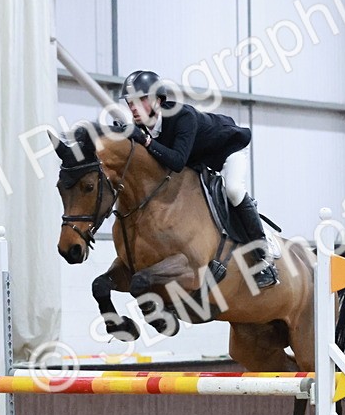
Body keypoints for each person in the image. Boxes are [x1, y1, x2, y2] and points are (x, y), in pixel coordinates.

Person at [118, 69, 278, 289]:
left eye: (140, 100)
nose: (133, 107)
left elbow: (176, 161)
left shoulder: (182, 116)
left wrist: (144, 142)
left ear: (157, 100)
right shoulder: (142, 128)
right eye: (130, 102)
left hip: (227, 151)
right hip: (198, 162)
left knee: (232, 190)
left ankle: (264, 255)